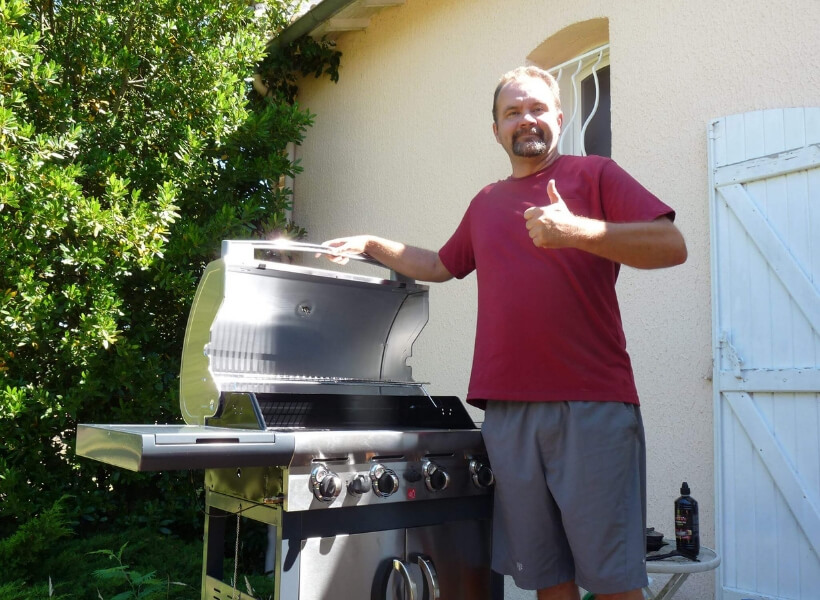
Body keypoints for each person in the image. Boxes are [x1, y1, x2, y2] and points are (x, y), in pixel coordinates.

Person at [322, 66, 687, 600]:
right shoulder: (486, 202)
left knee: (613, 582)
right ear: (495, 129)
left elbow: (670, 244)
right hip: (508, 414)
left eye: (537, 108)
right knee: (546, 578)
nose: (526, 120)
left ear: (559, 118)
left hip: (590, 405)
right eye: (512, 112)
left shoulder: (596, 175)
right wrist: (375, 245)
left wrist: (577, 231)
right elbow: (442, 264)